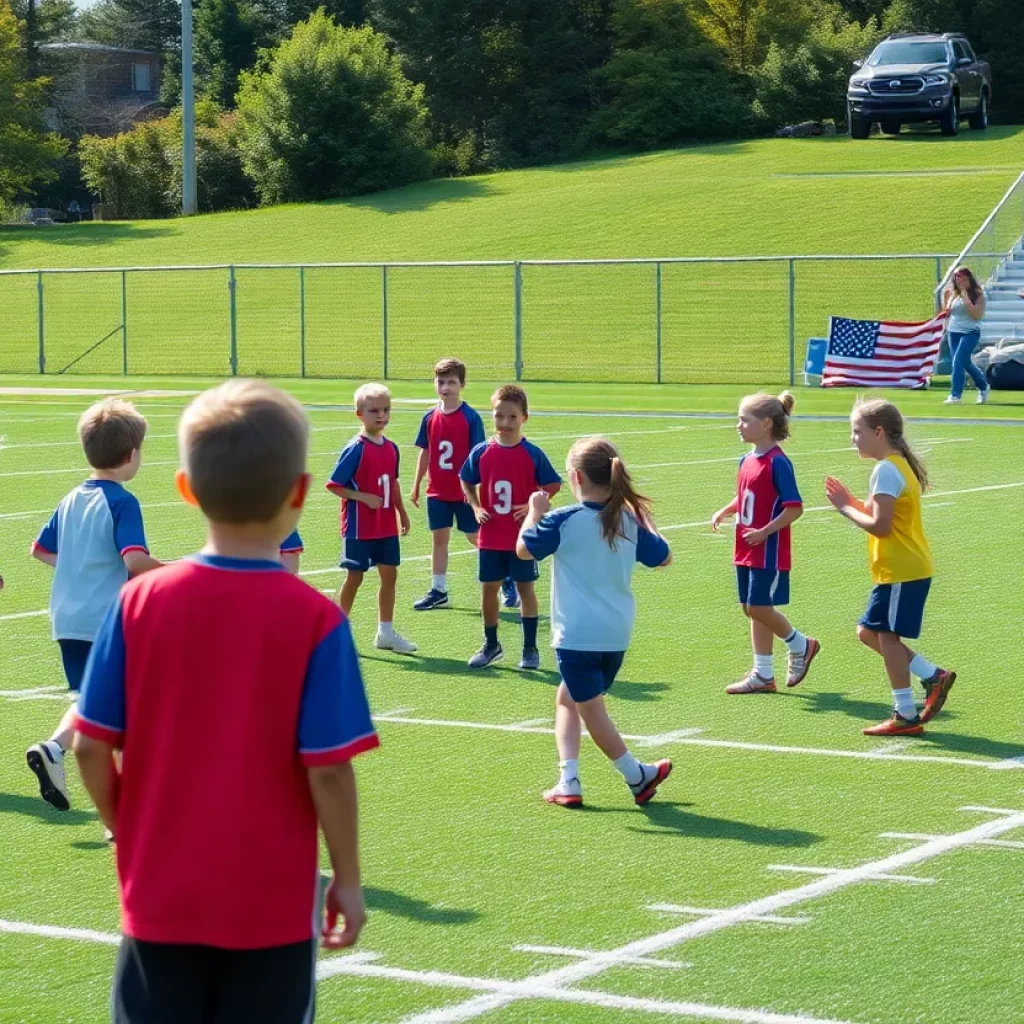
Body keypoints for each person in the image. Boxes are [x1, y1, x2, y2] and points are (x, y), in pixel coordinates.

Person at [73, 380, 377, 1023]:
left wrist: (128, 825)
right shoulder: (316, 621)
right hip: (270, 912)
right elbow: (326, 768)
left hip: (160, 901)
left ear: (186, 490)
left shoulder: (138, 604)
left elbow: (89, 743)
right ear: (298, 494)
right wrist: (346, 877)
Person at [517, 437, 673, 808]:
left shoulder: (562, 519)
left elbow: (523, 549)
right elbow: (663, 558)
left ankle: (636, 776)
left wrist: (534, 512)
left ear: (576, 477)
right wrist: (647, 522)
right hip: (616, 634)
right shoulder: (629, 521)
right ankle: (567, 776)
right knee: (568, 699)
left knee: (592, 711)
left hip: (576, 636)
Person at [25, 398, 162, 812]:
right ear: (132, 454)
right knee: (131, 706)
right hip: (106, 620)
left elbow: (41, 550)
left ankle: (57, 751)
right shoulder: (122, 501)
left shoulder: (72, 498)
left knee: (97, 700)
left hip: (67, 618)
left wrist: (83, 570)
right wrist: (184, 569)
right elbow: (135, 562)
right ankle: (125, 801)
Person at [825, 399, 956, 736]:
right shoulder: (895, 465)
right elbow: (875, 514)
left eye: (857, 431)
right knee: (869, 633)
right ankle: (931, 676)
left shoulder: (886, 469)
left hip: (902, 568)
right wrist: (850, 501)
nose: (853, 438)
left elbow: (880, 526)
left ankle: (906, 714)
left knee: (886, 636)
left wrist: (844, 508)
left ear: (879, 432)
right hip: (900, 569)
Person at [711, 392, 820, 694]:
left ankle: (801, 644)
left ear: (767, 424)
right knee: (751, 607)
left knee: (759, 607)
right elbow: (748, 495)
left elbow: (794, 507)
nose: (739, 425)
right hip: (745, 547)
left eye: (745, 420)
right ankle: (763, 674)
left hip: (767, 551)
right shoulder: (746, 459)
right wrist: (727, 508)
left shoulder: (778, 463)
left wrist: (765, 532)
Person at [460, 384, 561, 669]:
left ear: (524, 418)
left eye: (512, 417)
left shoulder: (532, 453)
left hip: (521, 538)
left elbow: (552, 484)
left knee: (525, 590)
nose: (505, 423)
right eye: (499, 416)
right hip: (491, 536)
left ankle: (530, 648)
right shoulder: (482, 452)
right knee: (488, 589)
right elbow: (466, 478)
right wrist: (477, 506)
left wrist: (531, 507)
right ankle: (491, 644)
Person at [327, 382, 416, 654]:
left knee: (390, 576)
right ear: (359, 414)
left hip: (385, 525)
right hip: (359, 527)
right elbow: (334, 485)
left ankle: (385, 632)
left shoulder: (391, 448)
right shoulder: (356, 448)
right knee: (355, 577)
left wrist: (401, 511)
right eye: (374, 410)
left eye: (386, 410)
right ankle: (336, 633)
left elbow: (393, 482)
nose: (381, 415)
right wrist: (363, 497)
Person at [410, 357, 486, 610]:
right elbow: (426, 451)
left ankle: (505, 574)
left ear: (462, 384)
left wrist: (475, 491)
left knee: (476, 537)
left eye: (451, 382)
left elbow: (478, 456)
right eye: (441, 382)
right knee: (439, 539)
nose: (445, 387)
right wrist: (417, 482)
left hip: (463, 493)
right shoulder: (430, 416)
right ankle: (438, 589)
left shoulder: (470, 418)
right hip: (437, 491)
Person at [942, 265, 989, 405]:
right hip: (954, 332)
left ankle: (955, 395)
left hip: (970, 333)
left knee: (957, 361)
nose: (958, 279)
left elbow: (977, 316)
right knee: (965, 362)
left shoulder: (978, 294)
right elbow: (947, 314)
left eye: (961, 276)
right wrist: (946, 301)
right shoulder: (954, 294)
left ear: (968, 277)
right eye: (956, 276)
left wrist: (966, 298)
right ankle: (984, 386)